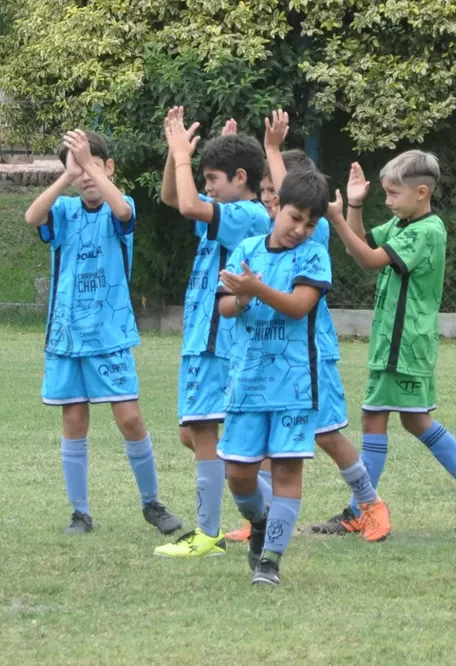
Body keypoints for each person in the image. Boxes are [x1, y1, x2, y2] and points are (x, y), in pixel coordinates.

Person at [327, 153, 456, 537]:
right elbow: (357, 245)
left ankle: (360, 510)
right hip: (397, 343)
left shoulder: (426, 231)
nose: (388, 200)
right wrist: (354, 206)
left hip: (403, 345)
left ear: (421, 192)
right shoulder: (403, 223)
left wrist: (338, 218)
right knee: (412, 419)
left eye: (394, 193)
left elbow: (371, 261)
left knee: (375, 417)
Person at [25, 129, 181, 536]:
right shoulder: (63, 211)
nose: (86, 176)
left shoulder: (120, 206)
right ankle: (80, 513)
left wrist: (92, 166)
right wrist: (67, 173)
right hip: (66, 338)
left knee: (129, 418)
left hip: (108, 336)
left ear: (109, 167)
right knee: (74, 420)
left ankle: (152, 502)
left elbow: (124, 213)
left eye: (95, 166)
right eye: (79, 170)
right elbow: (31, 217)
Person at [154, 107, 272, 558]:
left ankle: (208, 534)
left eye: (212, 180)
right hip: (201, 339)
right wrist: (174, 154)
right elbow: (172, 197)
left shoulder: (249, 214)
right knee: (193, 433)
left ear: (240, 178)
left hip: (220, 341)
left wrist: (185, 157)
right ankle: (269, 503)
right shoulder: (225, 210)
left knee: (202, 428)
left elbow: (185, 202)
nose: (205, 188)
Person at [216, 168, 333, 585]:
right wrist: (242, 296)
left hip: (295, 387)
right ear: (276, 206)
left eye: (311, 223)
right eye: (295, 217)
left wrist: (254, 289)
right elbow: (225, 306)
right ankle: (260, 521)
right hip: (246, 384)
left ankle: (271, 561)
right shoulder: (246, 248)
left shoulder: (314, 255)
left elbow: (298, 306)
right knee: (239, 474)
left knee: (286, 471)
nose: (300, 229)